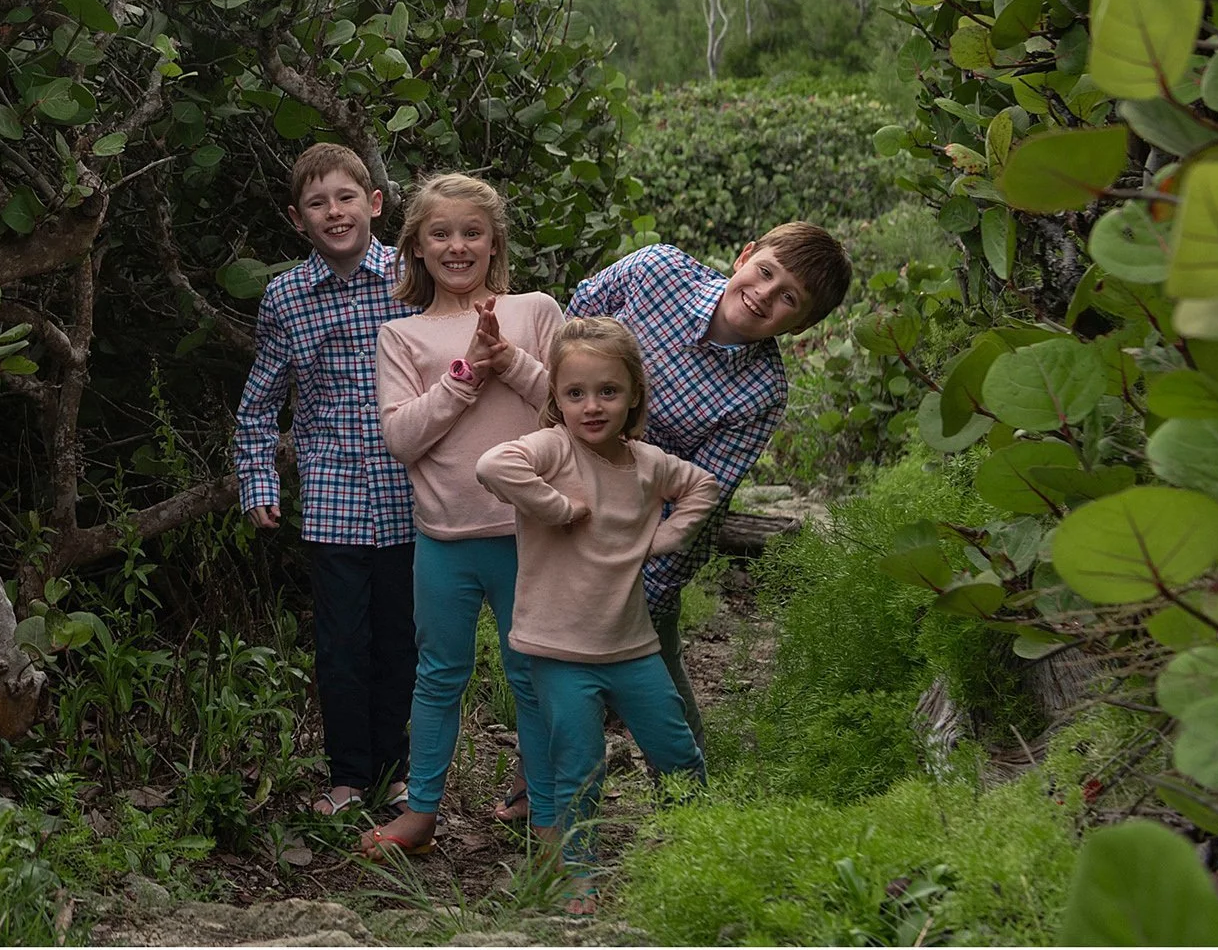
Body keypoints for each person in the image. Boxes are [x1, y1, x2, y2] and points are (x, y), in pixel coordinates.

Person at [562, 223, 851, 738]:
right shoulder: (657, 271)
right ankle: (544, 775)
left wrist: (638, 595)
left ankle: (684, 781)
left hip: (641, 540)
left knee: (651, 675)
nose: (764, 295)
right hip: (562, 495)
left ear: (802, 324)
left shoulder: (760, 392)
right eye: (765, 272)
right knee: (550, 664)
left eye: (789, 298)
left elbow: (700, 500)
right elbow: (566, 328)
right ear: (745, 256)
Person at [474, 317, 719, 906]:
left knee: (677, 751)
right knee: (579, 767)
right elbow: (492, 466)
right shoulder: (554, 449)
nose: (592, 406)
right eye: (575, 393)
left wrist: (663, 539)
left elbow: (703, 487)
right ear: (556, 398)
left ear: (633, 394)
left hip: (632, 647)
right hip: (559, 653)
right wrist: (557, 508)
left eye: (608, 391)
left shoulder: (648, 463)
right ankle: (578, 872)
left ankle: (697, 848)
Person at [357, 174, 562, 859]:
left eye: (472, 232)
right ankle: (420, 812)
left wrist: (511, 361)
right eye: (440, 233)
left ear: (494, 241)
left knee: (532, 677)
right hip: (444, 540)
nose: (457, 245)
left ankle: (548, 817)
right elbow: (402, 437)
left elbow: (572, 408)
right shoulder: (401, 334)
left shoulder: (534, 311)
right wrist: (466, 372)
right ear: (416, 246)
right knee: (439, 676)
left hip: (531, 536)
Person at [233, 142, 420, 817]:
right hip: (333, 495)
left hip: (411, 493)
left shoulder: (412, 277)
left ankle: (394, 773)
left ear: (375, 203)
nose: (334, 212)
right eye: (317, 203)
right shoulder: (286, 297)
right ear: (297, 218)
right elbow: (259, 404)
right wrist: (258, 483)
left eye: (346, 197)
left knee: (401, 643)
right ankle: (347, 779)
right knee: (341, 646)